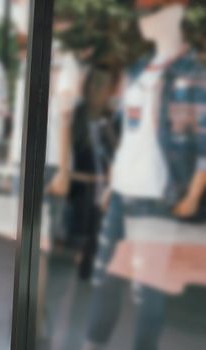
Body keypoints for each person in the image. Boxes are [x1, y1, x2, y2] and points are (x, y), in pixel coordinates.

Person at [84, 1, 206, 349]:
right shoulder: (139, 69)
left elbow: (204, 143)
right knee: (106, 279)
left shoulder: (193, 73)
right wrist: (111, 183)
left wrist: (193, 194)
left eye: (150, 10)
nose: (141, 19)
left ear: (175, 13)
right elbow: (127, 136)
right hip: (123, 190)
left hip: (158, 197)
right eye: (139, 11)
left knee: (148, 288)